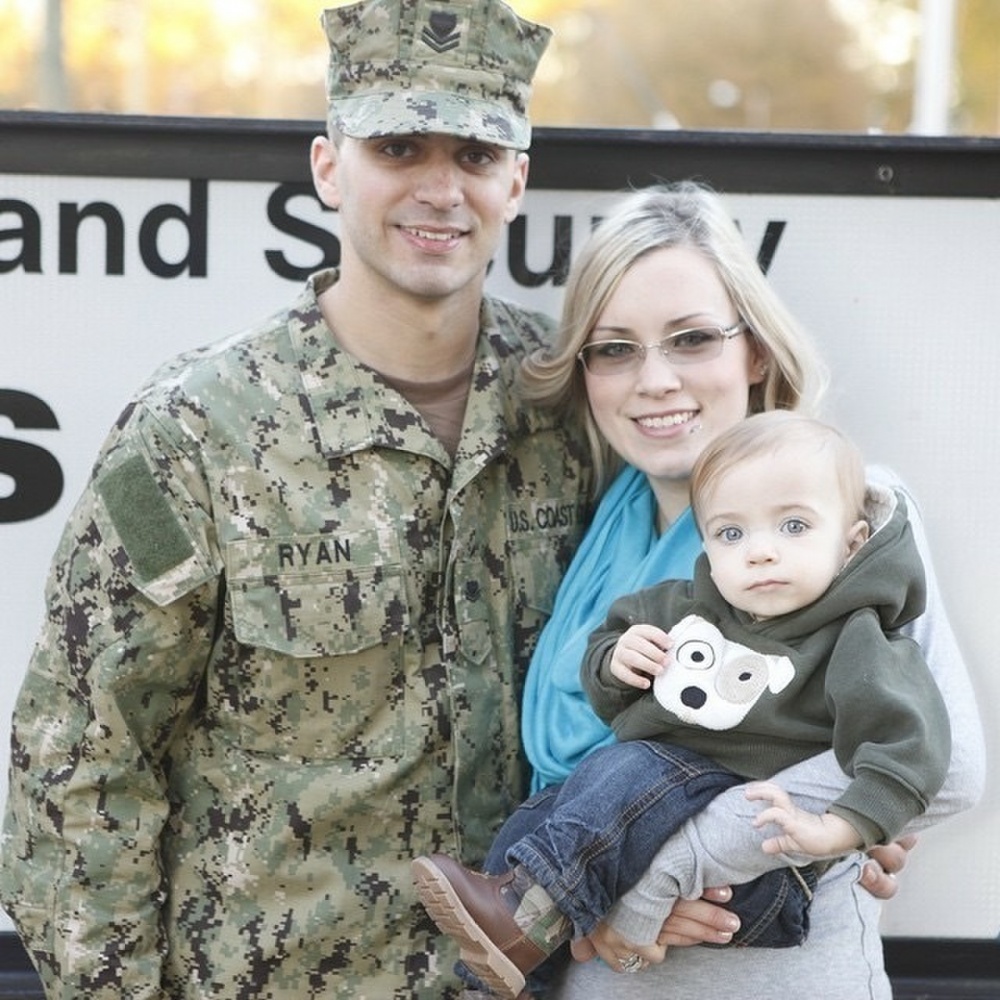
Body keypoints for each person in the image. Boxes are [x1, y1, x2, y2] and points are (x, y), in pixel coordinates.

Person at [0, 2, 594, 998]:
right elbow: (79, 767)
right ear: (328, 167)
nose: (440, 188)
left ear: (516, 182)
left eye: (477, 155)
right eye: (399, 146)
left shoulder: (571, 410)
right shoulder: (194, 433)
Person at [448, 182, 983, 1000]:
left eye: (692, 339)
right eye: (616, 348)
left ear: (754, 351)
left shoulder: (850, 519)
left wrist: (648, 871)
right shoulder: (597, 526)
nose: (654, 380)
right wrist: (579, 899)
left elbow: (940, 768)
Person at [411, 410, 951, 999]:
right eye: (731, 533)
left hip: (764, 882)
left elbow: (909, 748)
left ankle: (523, 917)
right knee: (540, 815)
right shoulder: (685, 608)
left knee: (632, 768)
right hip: (661, 816)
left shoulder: (856, 638)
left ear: (853, 542)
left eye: (794, 527)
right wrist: (617, 660)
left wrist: (841, 827)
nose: (760, 552)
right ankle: (512, 974)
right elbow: (606, 673)